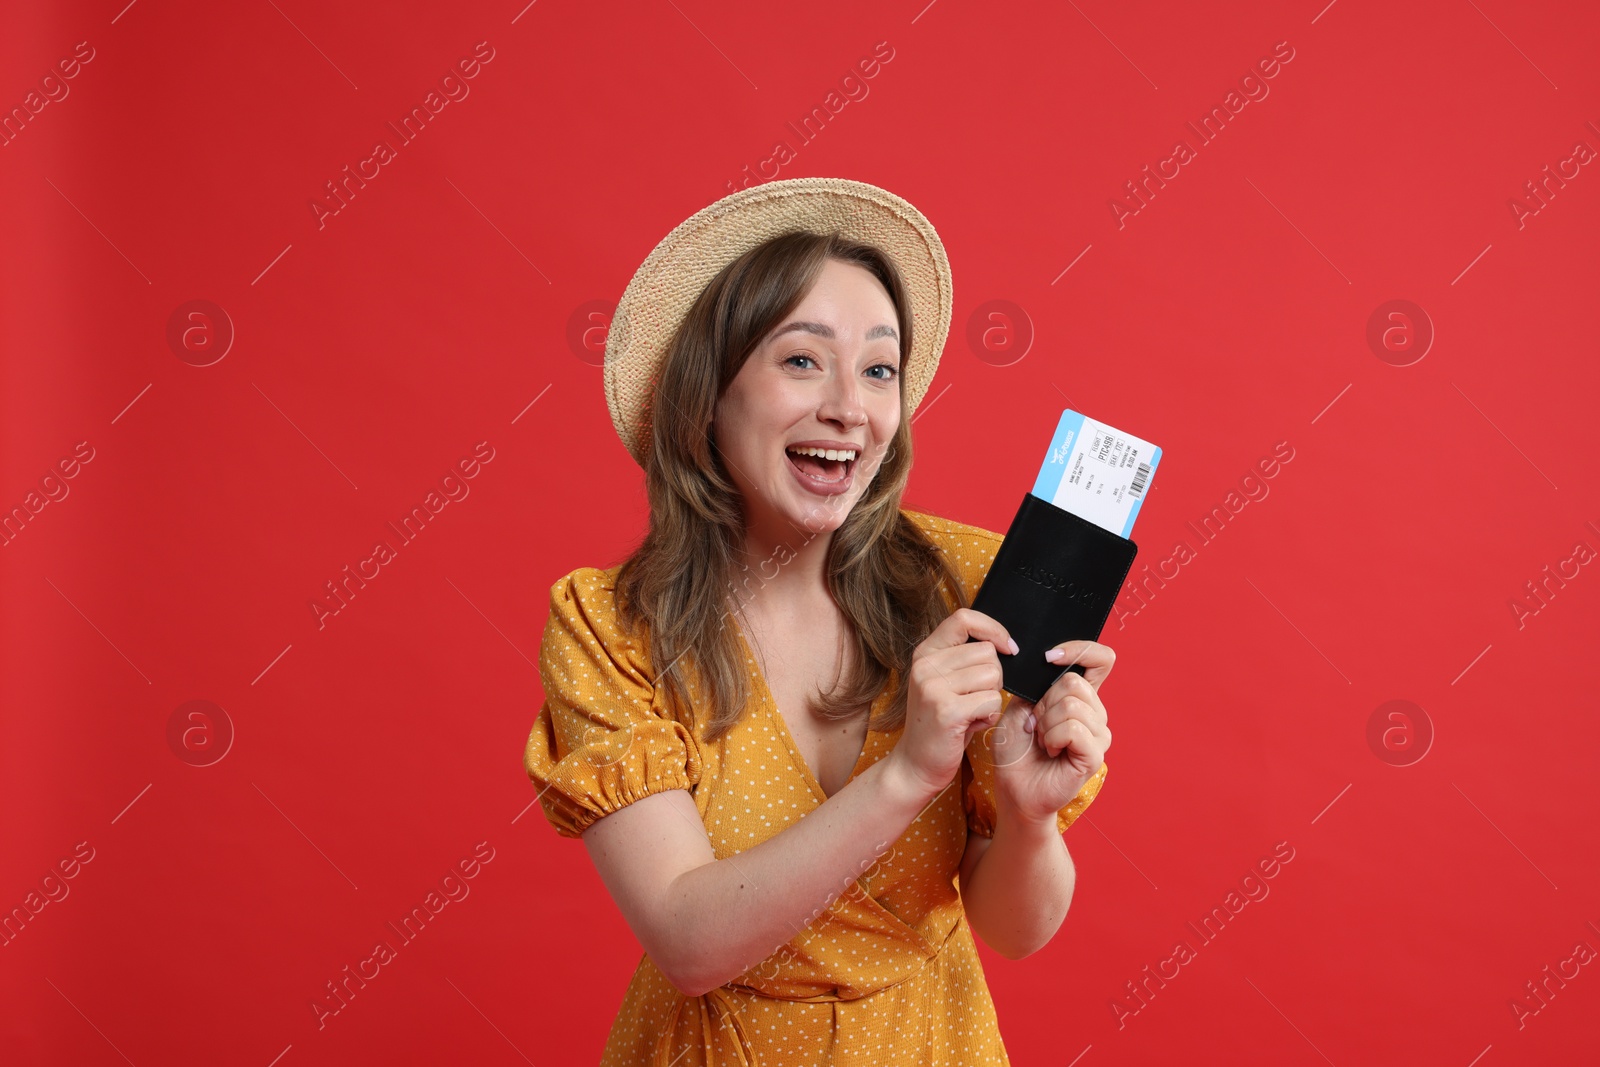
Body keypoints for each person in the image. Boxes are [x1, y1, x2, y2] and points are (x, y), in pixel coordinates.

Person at [523, 177, 1115, 1065]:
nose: (851, 407)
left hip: (933, 1043)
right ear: (708, 392)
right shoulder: (610, 628)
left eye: (879, 369)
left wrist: (1028, 820)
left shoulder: (968, 583)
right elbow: (689, 942)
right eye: (803, 359)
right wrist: (908, 772)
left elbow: (1015, 930)